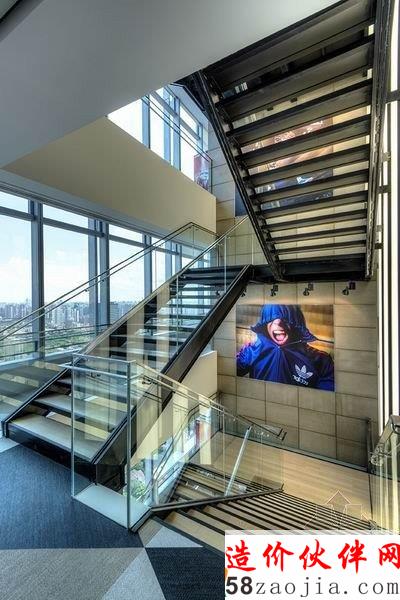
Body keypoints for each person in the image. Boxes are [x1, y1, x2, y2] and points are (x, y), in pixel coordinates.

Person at [236, 304, 334, 391]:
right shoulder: (251, 351)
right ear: (265, 324)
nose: (278, 323)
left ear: (296, 323)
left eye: (285, 318)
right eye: (271, 318)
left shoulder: (321, 361)